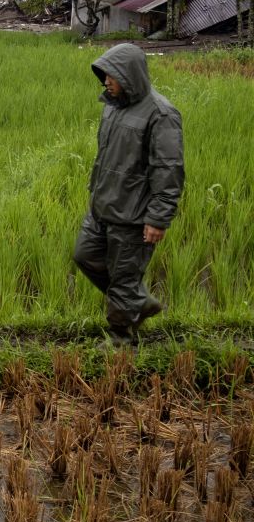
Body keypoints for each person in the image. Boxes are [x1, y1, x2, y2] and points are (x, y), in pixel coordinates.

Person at [73, 43, 184, 345]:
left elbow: (168, 169)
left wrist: (158, 218)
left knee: (123, 278)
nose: (106, 80)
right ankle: (137, 302)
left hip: (133, 215)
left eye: (112, 74)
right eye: (104, 74)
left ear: (130, 75)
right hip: (102, 207)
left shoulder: (161, 114)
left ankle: (121, 340)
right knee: (84, 255)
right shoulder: (113, 105)